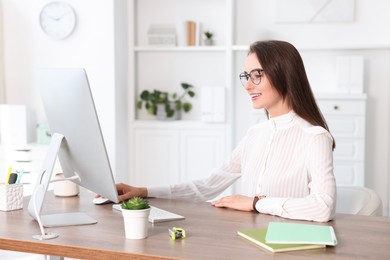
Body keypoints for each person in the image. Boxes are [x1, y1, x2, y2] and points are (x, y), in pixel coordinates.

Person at [117, 40, 336, 222]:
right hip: (250, 242)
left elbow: (323, 207)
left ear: (284, 74)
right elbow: (208, 186)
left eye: (257, 75)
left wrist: (255, 203)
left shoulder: (315, 137)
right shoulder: (256, 134)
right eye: (246, 76)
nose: (248, 85)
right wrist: (143, 191)